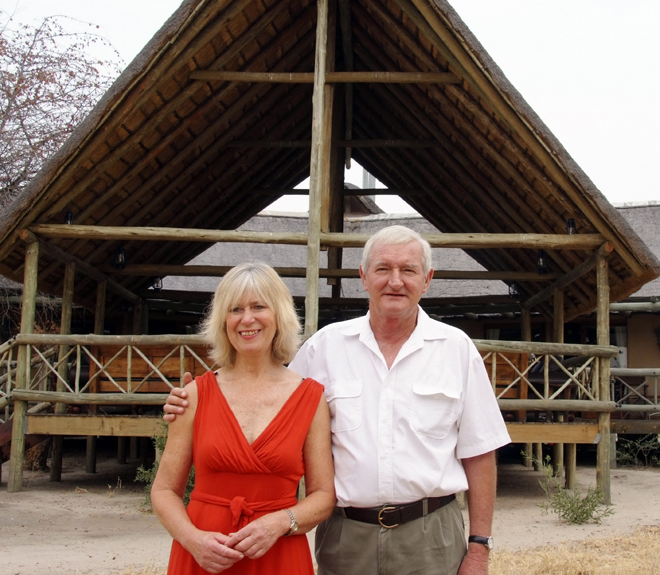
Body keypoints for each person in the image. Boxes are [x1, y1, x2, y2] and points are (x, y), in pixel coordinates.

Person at [165, 226, 510, 575]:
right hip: (347, 538)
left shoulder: (457, 349)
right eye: (382, 269)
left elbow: (480, 452)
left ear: (427, 279)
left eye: (408, 270)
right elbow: (269, 393)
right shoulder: (325, 348)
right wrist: (189, 402)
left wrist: (479, 548)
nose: (395, 281)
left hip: (431, 535)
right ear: (363, 276)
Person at [151, 263, 335, 575]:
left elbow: (323, 496)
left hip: (279, 554)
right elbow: (164, 490)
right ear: (223, 321)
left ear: (278, 315)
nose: (247, 319)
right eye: (235, 309)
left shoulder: (311, 398)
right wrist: (192, 539)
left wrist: (280, 522)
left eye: (258, 306)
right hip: (203, 557)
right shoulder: (194, 396)